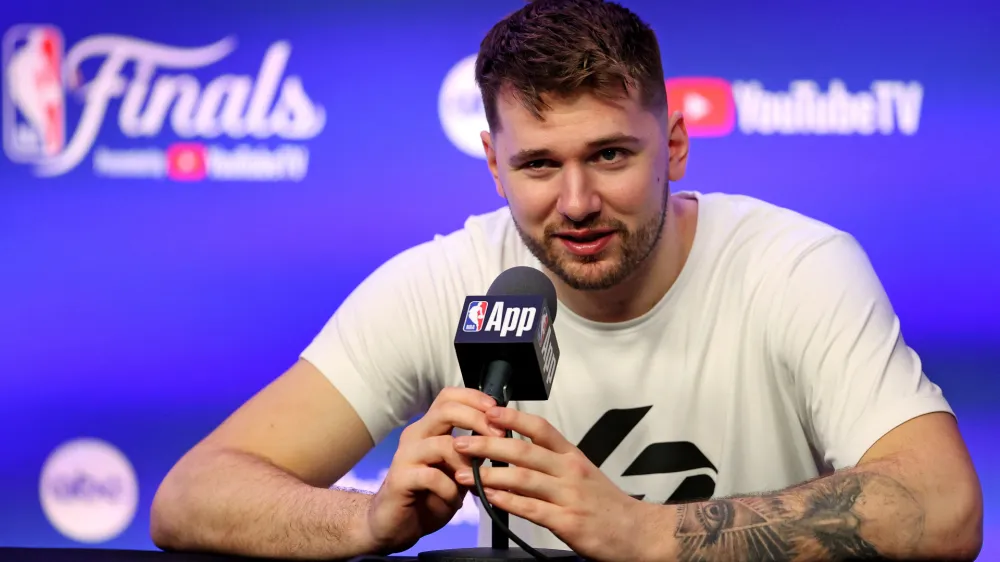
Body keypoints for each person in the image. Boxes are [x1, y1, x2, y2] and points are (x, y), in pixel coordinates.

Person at [149, 1, 983, 560]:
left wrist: (644, 535)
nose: (577, 203)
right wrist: (366, 520)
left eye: (611, 155)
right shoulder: (446, 280)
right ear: (493, 165)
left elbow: (945, 504)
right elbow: (191, 495)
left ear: (676, 146)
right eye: (539, 164)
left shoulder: (794, 267)